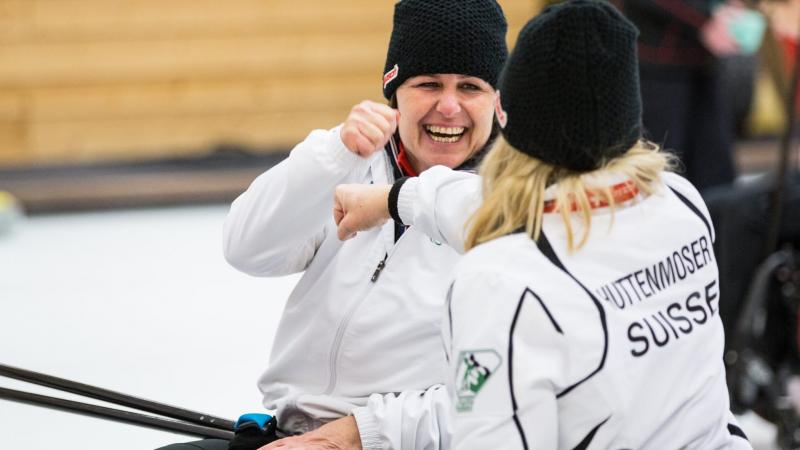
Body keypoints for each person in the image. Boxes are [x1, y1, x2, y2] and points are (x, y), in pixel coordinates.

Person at [333, 1, 752, 448]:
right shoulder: (680, 202)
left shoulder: (500, 281)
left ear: (507, 117)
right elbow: (514, 211)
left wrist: (367, 431)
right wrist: (395, 198)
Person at [158, 1, 509, 450]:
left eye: (470, 87)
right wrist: (333, 154)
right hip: (295, 431)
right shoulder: (351, 161)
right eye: (428, 84)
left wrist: (357, 435)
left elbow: (496, 394)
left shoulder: (511, 207)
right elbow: (246, 248)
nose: (448, 105)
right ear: (394, 91)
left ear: (497, 102)